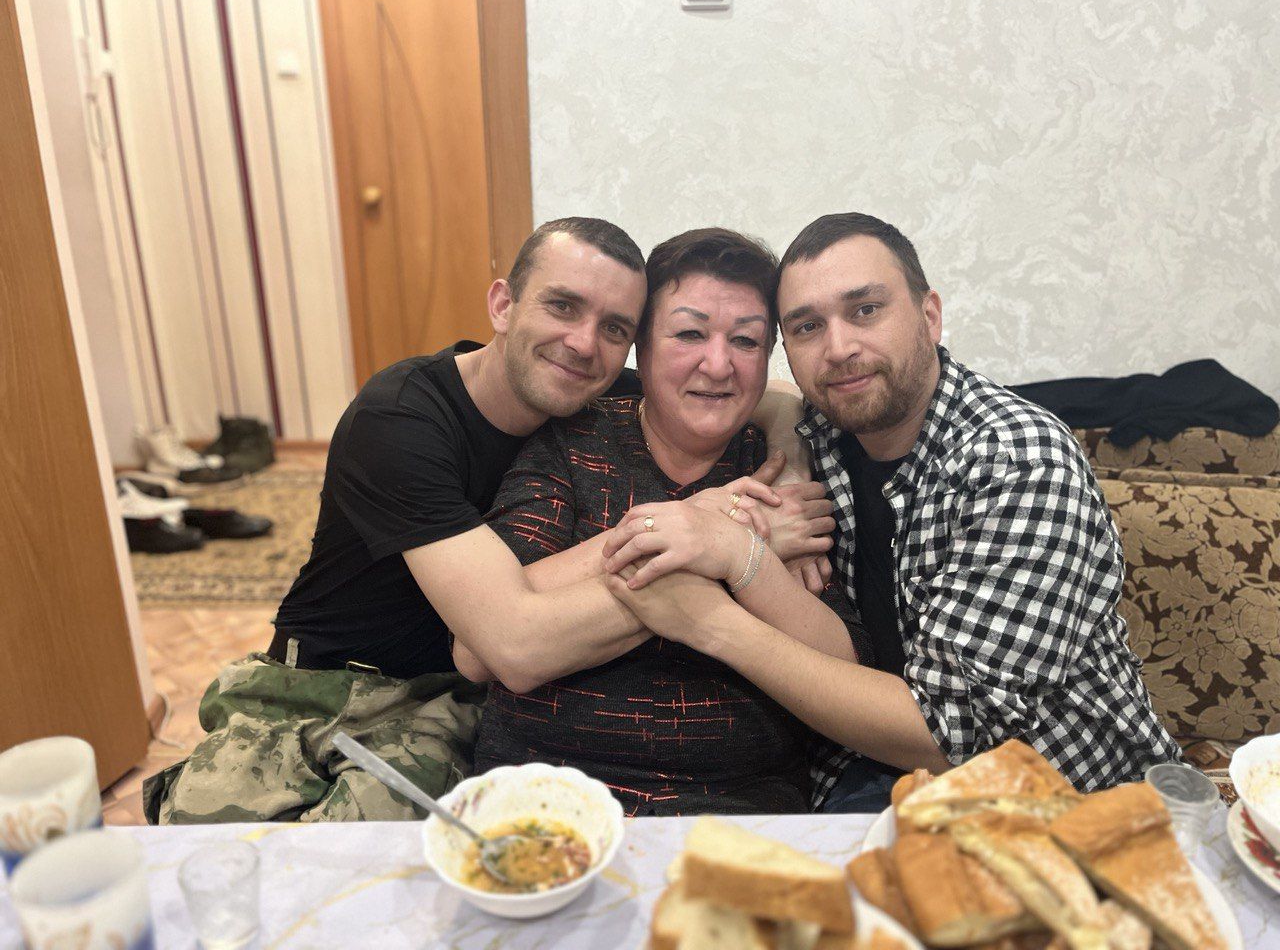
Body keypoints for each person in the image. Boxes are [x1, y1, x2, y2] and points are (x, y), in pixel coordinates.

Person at [603, 212, 1179, 812]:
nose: (839, 349)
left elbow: (951, 736)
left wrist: (717, 619)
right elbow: (762, 396)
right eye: (807, 327)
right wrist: (790, 459)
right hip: (866, 779)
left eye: (865, 310)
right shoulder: (826, 432)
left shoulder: (1017, 462)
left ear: (929, 315)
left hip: (1065, 802)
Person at [143, 217, 651, 824]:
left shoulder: (609, 399)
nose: (584, 343)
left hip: (449, 697)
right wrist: (677, 545)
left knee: (384, 860)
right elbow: (511, 644)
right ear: (502, 305)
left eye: (614, 329)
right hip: (319, 683)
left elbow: (722, 393)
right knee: (215, 852)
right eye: (562, 306)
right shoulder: (400, 417)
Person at [460, 228, 858, 815]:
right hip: (542, 794)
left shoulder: (784, 471)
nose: (718, 365)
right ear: (640, 349)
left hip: (736, 803)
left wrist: (734, 553)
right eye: (689, 334)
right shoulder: (572, 442)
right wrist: (700, 538)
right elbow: (480, 646)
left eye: (745, 341)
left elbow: (842, 666)